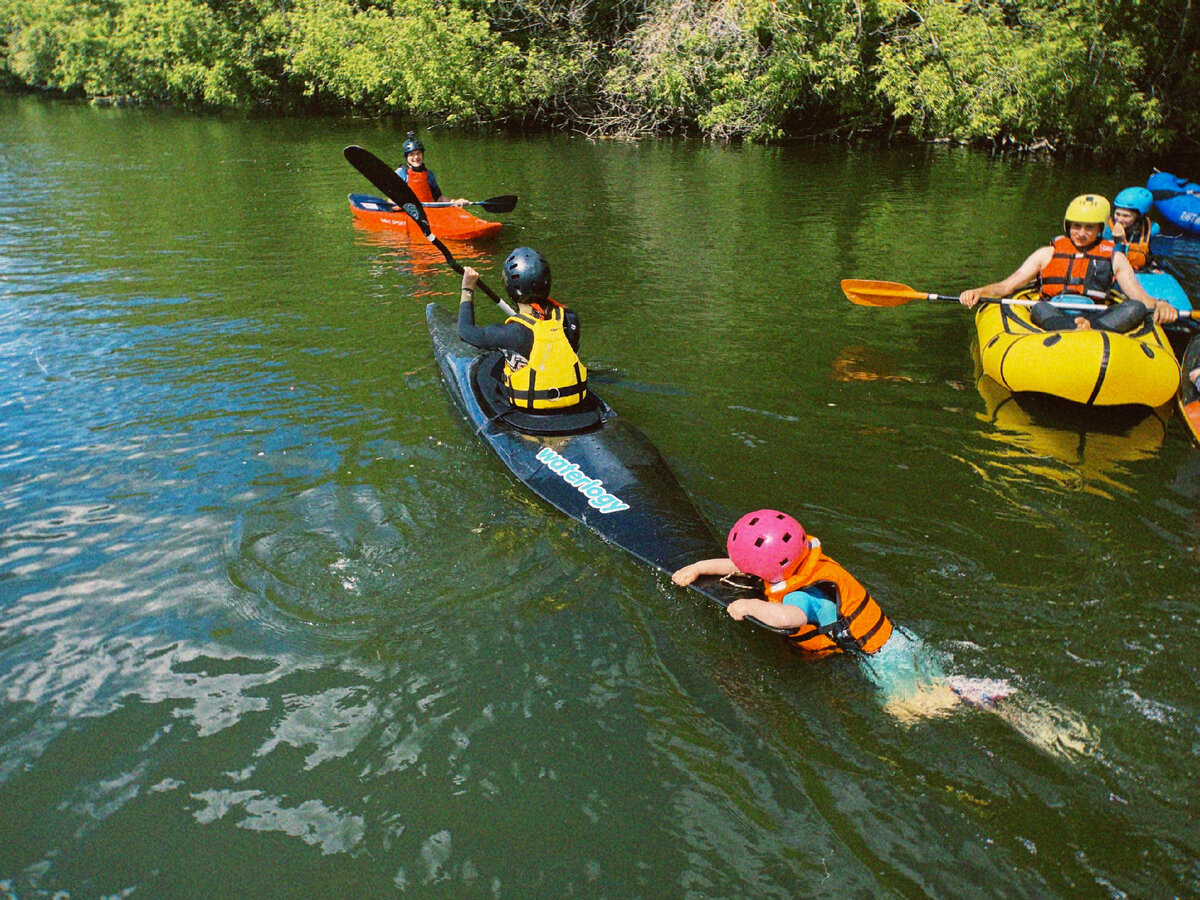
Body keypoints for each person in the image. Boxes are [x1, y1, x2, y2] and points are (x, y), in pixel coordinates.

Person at [671, 510, 1009, 719]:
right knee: (929, 675)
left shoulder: (804, 595)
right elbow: (745, 565)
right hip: (896, 639)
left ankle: (970, 699)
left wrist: (747, 606)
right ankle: (962, 688)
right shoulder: (802, 558)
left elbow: (788, 618)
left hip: (880, 659)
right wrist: (700, 567)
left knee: (906, 710)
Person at [959, 194, 1179, 332]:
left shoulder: (1115, 256)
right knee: (1039, 307)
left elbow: (1139, 297)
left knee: (1135, 308)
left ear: (1101, 229)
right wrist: (979, 291)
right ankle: (1074, 331)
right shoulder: (1047, 253)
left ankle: (1088, 330)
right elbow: (1007, 287)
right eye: (1076, 226)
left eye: (1089, 228)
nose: (1081, 234)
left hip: (1096, 315)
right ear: (1067, 226)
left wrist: (1160, 304)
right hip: (1054, 312)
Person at [458, 248, 588, 411]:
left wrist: (467, 289)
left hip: (531, 413)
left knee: (491, 371)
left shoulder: (510, 333)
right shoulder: (570, 318)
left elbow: (466, 331)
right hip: (575, 404)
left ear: (510, 288)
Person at [394, 132, 468, 207]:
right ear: (406, 157)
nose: (416, 157)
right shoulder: (401, 173)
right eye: (411, 154)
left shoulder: (429, 174)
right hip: (408, 213)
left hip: (429, 212)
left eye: (418, 153)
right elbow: (392, 201)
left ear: (422, 155)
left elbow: (439, 198)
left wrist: (455, 202)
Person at [1104, 186, 1160, 271]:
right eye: (1117, 214)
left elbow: (1153, 256)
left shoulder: (1151, 230)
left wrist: (1154, 268)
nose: (1119, 220)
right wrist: (1119, 241)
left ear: (1138, 217)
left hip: (1140, 272)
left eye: (1126, 216)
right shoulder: (1106, 230)